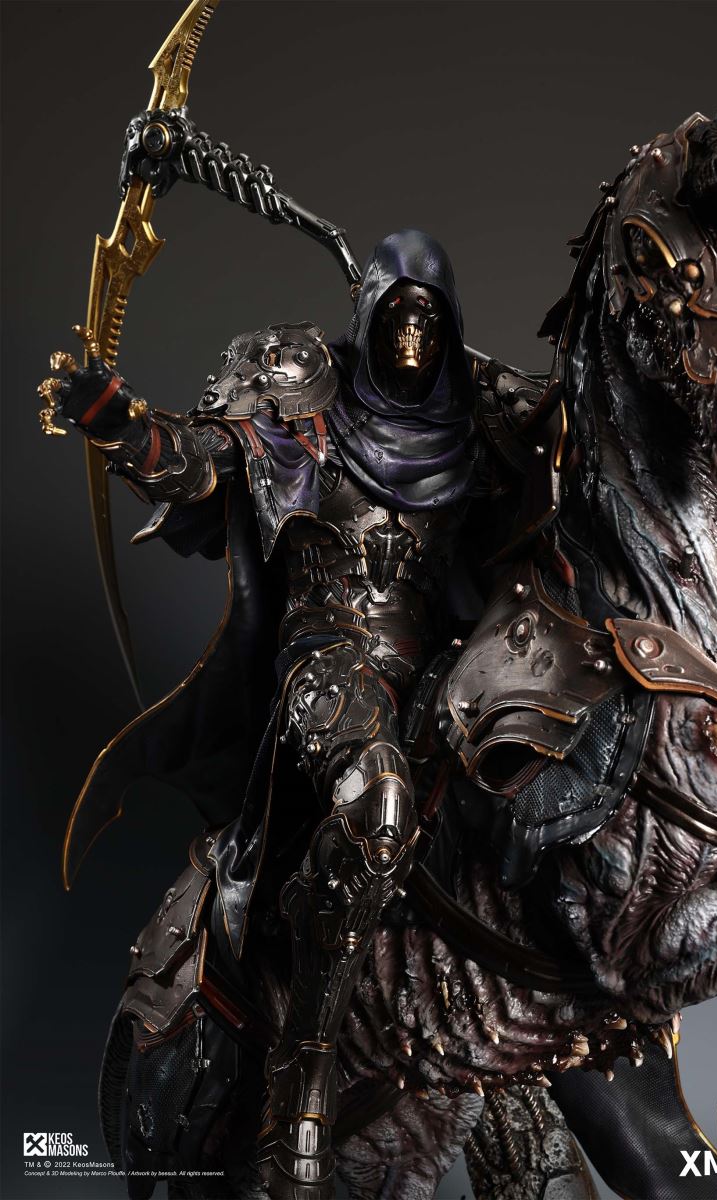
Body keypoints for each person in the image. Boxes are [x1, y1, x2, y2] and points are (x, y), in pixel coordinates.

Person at [44, 227, 546, 1197]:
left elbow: (603, 472)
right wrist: (121, 424)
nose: (411, 335)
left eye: (427, 317)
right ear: (366, 315)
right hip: (329, 655)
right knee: (378, 806)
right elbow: (201, 463)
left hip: (445, 679)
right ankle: (300, 1079)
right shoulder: (304, 393)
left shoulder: (483, 417)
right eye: (394, 315)